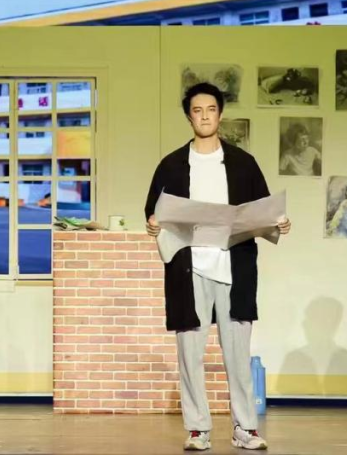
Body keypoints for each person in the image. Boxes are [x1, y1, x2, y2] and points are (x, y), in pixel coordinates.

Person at [145, 83, 291, 451]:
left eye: (211, 109)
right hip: (189, 268)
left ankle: (246, 428)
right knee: (190, 353)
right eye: (197, 110)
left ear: (220, 114)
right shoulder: (172, 164)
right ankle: (198, 429)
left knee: (237, 354)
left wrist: (278, 223)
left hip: (233, 267)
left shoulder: (243, 162)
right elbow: (154, 211)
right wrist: (153, 223)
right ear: (189, 116)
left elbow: (263, 210)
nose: (205, 116)